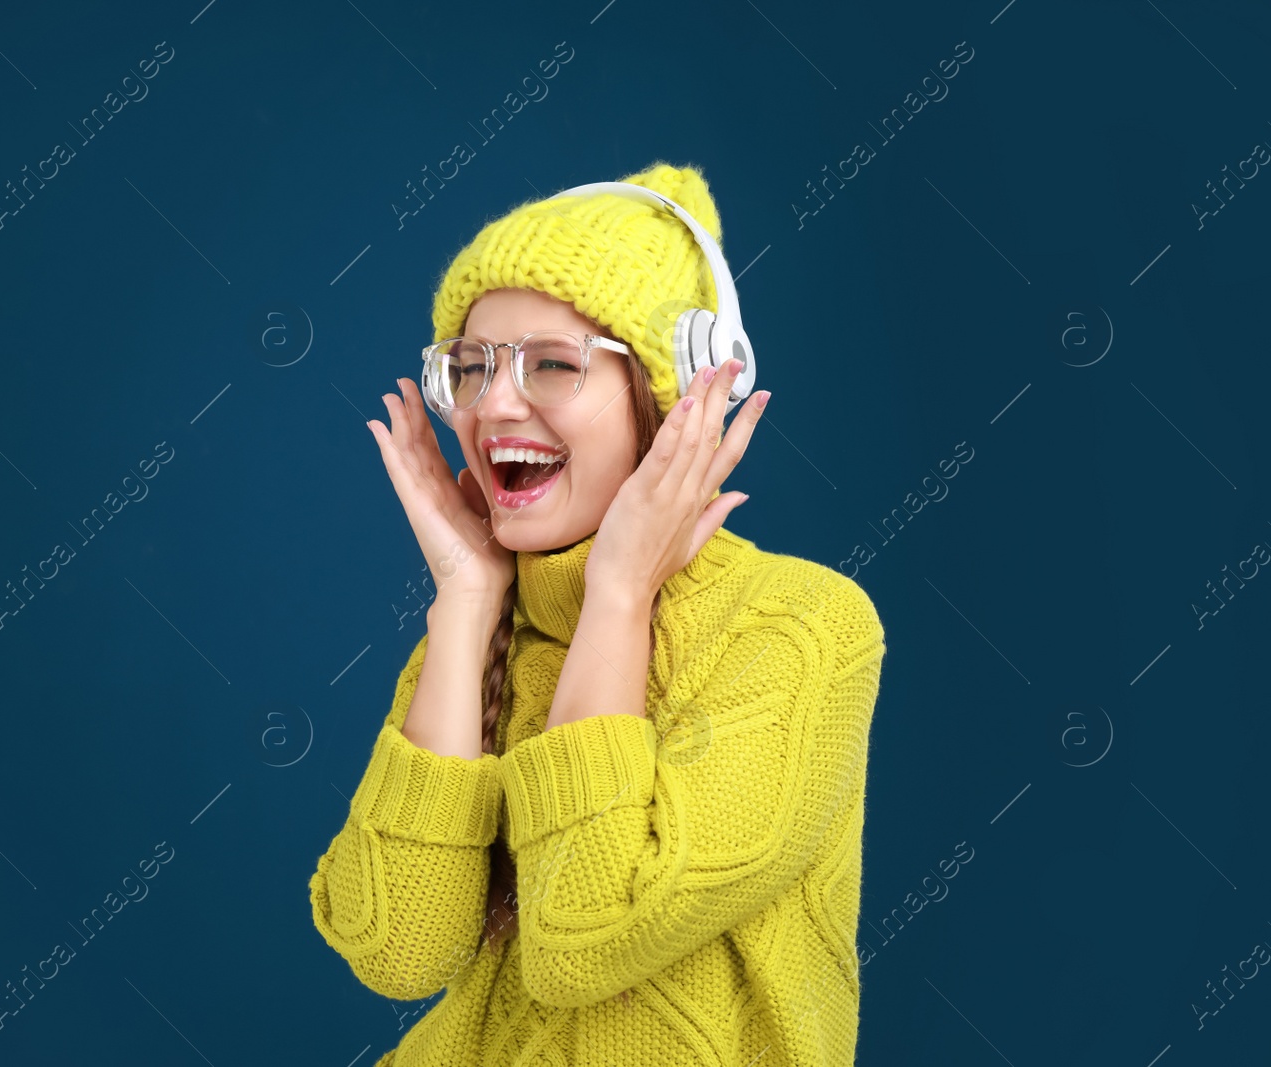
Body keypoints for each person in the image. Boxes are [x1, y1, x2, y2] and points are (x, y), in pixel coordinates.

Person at [308, 161, 886, 1066]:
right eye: (469, 367)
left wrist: (619, 594)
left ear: (685, 392)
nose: (494, 403)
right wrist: (463, 603)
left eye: (550, 363)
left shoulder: (800, 627)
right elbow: (398, 946)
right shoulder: (489, 625)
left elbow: (591, 933)